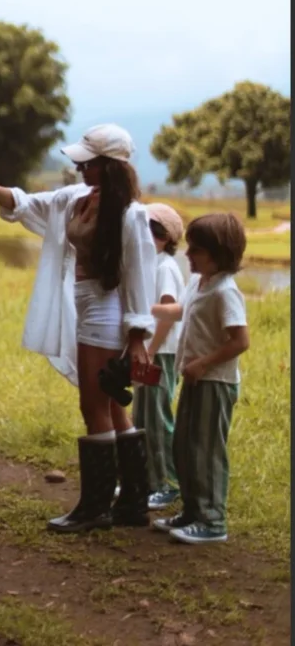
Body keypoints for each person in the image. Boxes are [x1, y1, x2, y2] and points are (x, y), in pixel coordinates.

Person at [0, 123, 157, 534]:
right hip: (84, 305)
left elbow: (139, 277)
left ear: (109, 166)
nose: (80, 169)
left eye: (88, 163)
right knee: (114, 404)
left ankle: (96, 507)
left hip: (106, 313)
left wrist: (137, 338)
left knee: (92, 406)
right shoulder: (76, 200)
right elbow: (27, 204)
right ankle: (133, 500)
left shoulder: (131, 216)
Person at [152, 213, 249, 544]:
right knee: (185, 445)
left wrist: (204, 364)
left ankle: (213, 520)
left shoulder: (225, 292)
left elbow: (240, 340)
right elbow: (184, 310)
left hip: (214, 382)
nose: (188, 254)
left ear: (220, 253)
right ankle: (193, 511)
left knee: (206, 450)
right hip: (195, 379)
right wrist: (148, 310)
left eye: (197, 250)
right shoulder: (199, 283)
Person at [132, 202, 186, 510]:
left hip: (160, 353)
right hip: (148, 352)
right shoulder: (149, 264)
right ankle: (144, 480)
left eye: (154, 230)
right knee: (141, 418)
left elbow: (168, 314)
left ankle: (168, 483)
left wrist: (151, 351)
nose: (147, 236)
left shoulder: (166, 266)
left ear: (166, 237)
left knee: (158, 418)